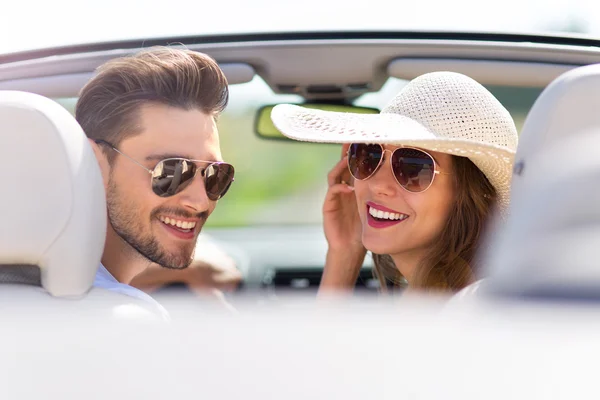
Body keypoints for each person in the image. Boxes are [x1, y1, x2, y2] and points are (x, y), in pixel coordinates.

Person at [270, 71, 518, 293]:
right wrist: (345, 251)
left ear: (473, 193)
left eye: (413, 167)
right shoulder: (436, 299)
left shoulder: (467, 307)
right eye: (369, 156)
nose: (378, 185)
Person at [76, 46, 237, 316]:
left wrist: (335, 256)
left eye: (215, 175)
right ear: (95, 163)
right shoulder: (126, 317)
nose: (200, 202)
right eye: (171, 172)